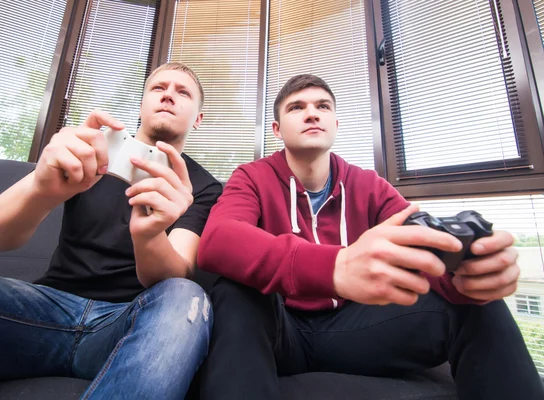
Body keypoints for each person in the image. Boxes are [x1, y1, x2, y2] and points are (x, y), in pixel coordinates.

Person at [197, 74, 544, 400]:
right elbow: (218, 240)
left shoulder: (369, 185)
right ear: (276, 129)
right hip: (279, 332)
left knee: (476, 304)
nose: (312, 114)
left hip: (356, 330)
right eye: (296, 107)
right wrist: (336, 266)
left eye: (323, 107)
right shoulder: (252, 177)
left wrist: (465, 276)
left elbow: (422, 250)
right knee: (234, 288)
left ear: (336, 124)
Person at [0, 62, 222, 399]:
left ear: (198, 118)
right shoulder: (88, 149)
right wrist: (42, 190)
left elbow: (178, 274)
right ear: (141, 105)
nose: (168, 96)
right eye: (158, 88)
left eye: (183, 92)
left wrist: (148, 236)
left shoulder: (202, 187)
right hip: (39, 313)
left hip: (126, 327)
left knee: (187, 298)